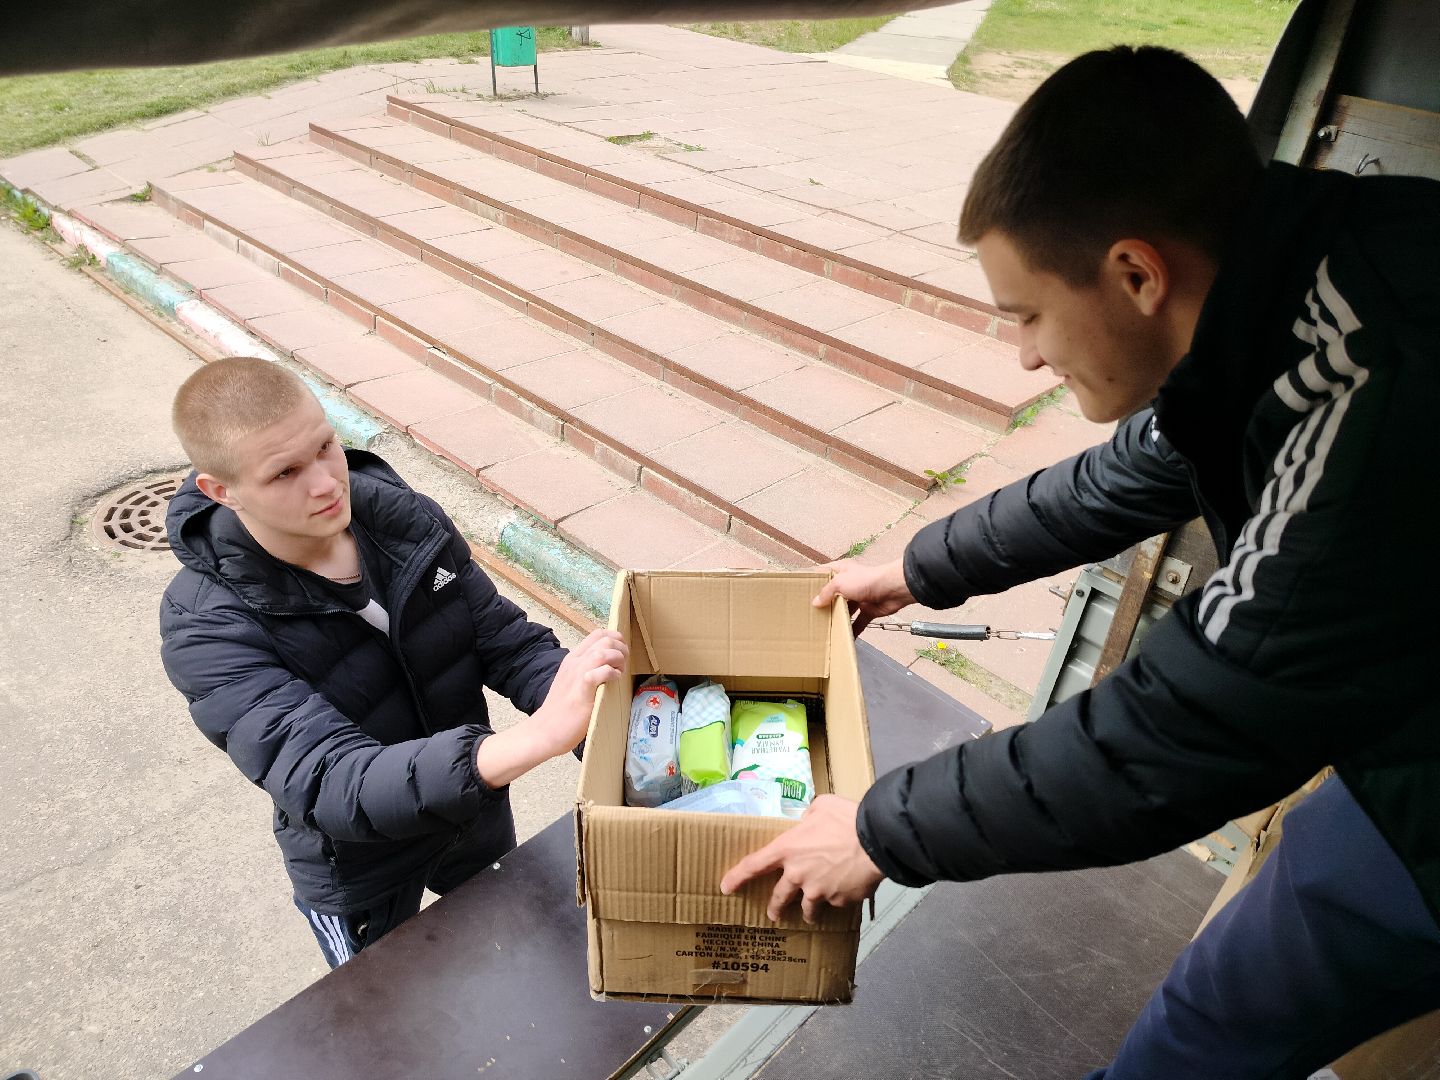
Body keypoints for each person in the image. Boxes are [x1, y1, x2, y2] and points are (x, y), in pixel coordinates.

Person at [722, 45, 1440, 1077]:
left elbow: (1183, 730)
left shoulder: (1375, 395)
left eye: (1027, 314)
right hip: (1401, 704)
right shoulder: (1282, 285)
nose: (1022, 355)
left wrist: (883, 831)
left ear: (1137, 274)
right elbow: (1128, 474)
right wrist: (922, 568)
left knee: (1211, 1027)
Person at [160, 356, 626, 967]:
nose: (327, 482)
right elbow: (332, 780)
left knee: (519, 965)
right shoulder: (206, 625)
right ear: (220, 492)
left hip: (473, 810)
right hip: (360, 868)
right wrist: (536, 739)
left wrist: (614, 723)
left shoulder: (399, 519)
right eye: (285, 473)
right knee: (390, 1032)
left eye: (326, 445)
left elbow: (505, 643)